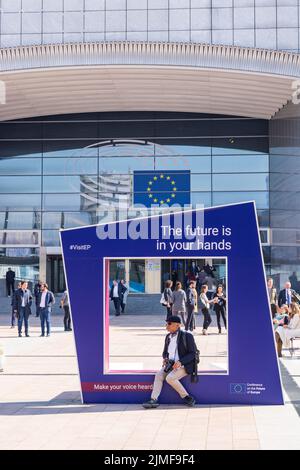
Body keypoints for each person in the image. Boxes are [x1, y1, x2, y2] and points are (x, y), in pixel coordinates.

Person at [142, 315, 197, 409]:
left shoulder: (187, 336)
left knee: (170, 378)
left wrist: (180, 362)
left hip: (184, 365)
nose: (166, 326)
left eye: (169, 324)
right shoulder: (168, 337)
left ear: (177, 325)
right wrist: (165, 358)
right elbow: (165, 352)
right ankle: (153, 399)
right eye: (166, 323)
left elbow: (193, 353)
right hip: (171, 365)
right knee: (159, 375)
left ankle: (187, 397)